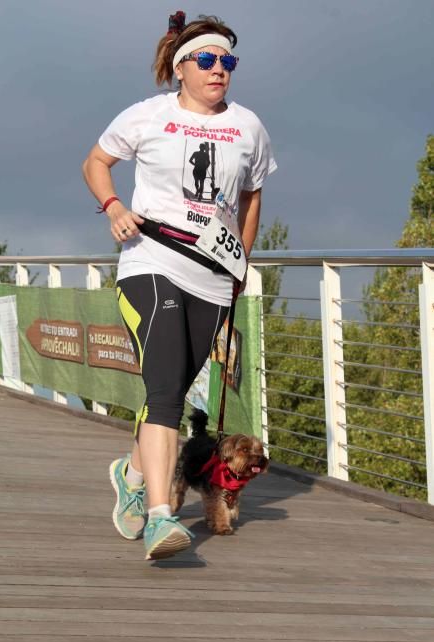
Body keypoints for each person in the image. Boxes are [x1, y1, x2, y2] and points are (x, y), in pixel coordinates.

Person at [82, 11, 277, 561]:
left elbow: (251, 197)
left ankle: (132, 472)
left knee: (170, 388)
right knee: (166, 388)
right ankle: (161, 519)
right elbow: (96, 162)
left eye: (229, 62)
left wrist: (242, 262)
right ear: (181, 66)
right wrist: (114, 205)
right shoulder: (147, 116)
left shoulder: (248, 126)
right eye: (209, 60)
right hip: (151, 261)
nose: (221, 71)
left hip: (213, 278)